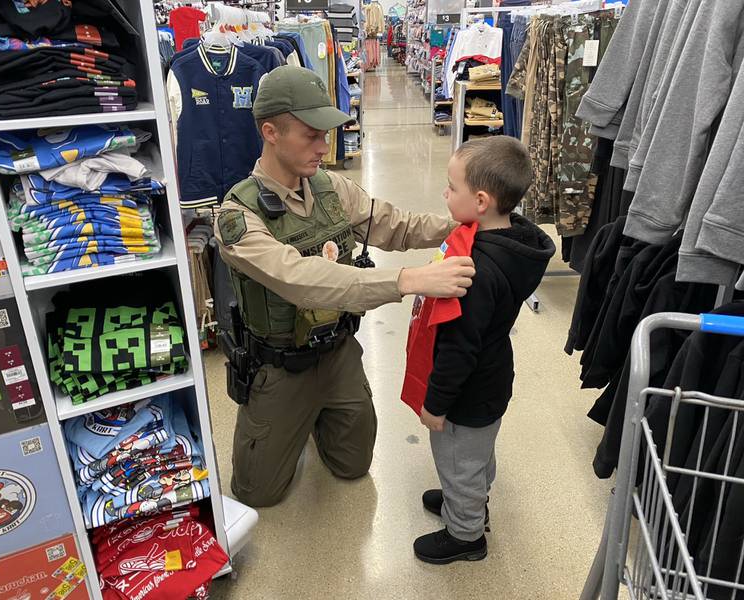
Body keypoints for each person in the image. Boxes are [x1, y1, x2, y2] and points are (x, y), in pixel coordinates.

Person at [213, 65, 476, 508]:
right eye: (311, 135)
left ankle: (319, 417)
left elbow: (394, 225)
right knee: (256, 494)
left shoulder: (331, 187)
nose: (324, 145)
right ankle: (293, 418)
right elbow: (301, 280)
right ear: (270, 131)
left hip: (338, 353)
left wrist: (463, 227)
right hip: (280, 367)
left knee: (353, 465)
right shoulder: (239, 217)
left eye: (326, 133)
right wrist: (407, 279)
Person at [412, 137, 555, 564]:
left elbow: (459, 349)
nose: (444, 194)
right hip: (493, 380)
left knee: (458, 459)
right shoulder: (513, 241)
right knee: (477, 452)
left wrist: (435, 404)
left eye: (450, 187)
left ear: (480, 200)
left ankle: (465, 534)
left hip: (467, 392)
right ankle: (469, 497)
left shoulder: (475, 271)